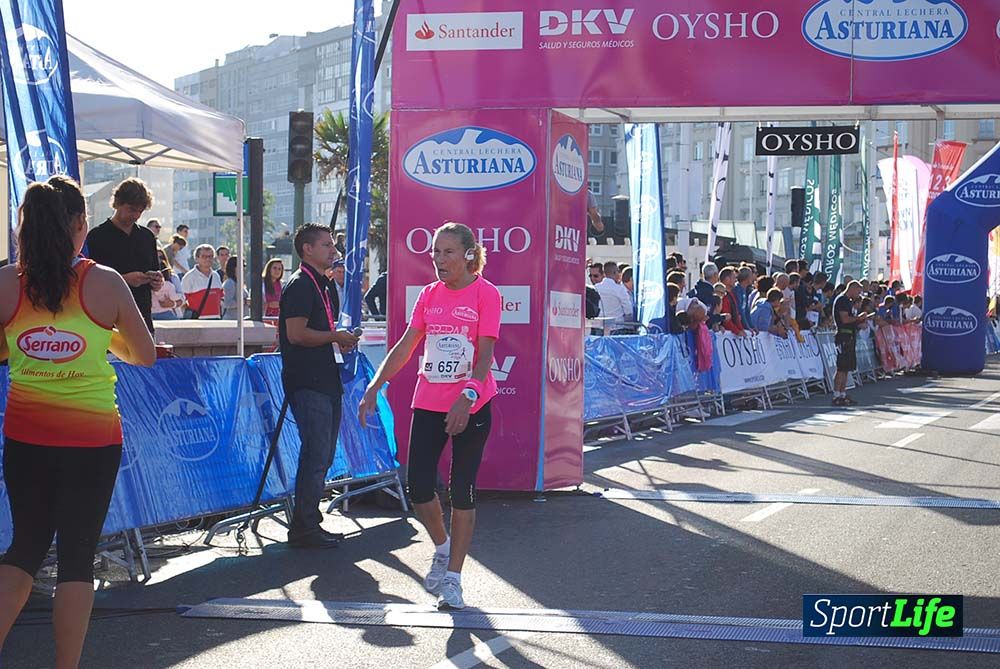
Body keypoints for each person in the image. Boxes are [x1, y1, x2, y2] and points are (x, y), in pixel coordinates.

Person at [0, 177, 155, 668]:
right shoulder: (104, 281)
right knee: (75, 557)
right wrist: (101, 336)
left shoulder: (6, 282)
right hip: (91, 440)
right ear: (80, 225)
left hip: (25, 437)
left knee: (24, 547)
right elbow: (144, 355)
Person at [358, 222, 500, 610]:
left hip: (472, 403)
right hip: (430, 401)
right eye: (435, 252)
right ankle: (442, 547)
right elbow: (406, 345)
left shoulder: (486, 294)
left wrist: (467, 397)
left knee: (461, 489)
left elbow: (485, 354)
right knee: (419, 486)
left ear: (469, 255)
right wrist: (375, 385)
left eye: (448, 252)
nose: (439, 260)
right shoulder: (428, 295)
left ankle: (453, 577)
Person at [279, 224, 359, 549]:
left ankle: (309, 521)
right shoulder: (300, 284)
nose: (333, 250)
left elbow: (320, 330)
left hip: (327, 378)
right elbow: (296, 334)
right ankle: (304, 526)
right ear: (307, 249)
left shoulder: (324, 284)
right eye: (326, 245)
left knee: (323, 455)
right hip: (307, 380)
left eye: (332, 244)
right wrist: (335, 337)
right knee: (315, 454)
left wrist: (340, 341)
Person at [85, 178, 163, 332]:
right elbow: (89, 282)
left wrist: (156, 280)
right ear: (118, 203)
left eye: (140, 211)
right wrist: (124, 280)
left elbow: (156, 272)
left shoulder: (147, 237)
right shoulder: (96, 237)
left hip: (142, 320)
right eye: (132, 209)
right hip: (107, 322)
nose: (136, 216)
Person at [832, 281, 869, 406]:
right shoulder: (842, 300)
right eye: (858, 291)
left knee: (847, 367)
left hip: (850, 335)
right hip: (843, 336)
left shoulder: (848, 301)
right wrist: (858, 318)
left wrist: (859, 322)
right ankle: (836, 394)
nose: (858, 295)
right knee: (841, 367)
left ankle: (842, 393)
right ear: (852, 289)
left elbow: (851, 320)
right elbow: (845, 319)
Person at [181, 245, 224, 319]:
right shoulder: (189, 277)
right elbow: (182, 301)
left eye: (210, 256)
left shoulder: (216, 276)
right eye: (204, 256)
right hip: (197, 322)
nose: (207, 259)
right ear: (197, 258)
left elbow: (221, 297)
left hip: (216, 320)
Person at [594, 261, 633, 333]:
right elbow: (628, 310)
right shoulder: (619, 289)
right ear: (615, 272)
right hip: (617, 327)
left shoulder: (596, 288)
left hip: (599, 327)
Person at [151, 251, 184, 321]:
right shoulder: (145, 278)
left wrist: (173, 304)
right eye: (155, 257)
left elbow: (182, 299)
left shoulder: (173, 277)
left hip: (169, 313)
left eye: (161, 257)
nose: (158, 260)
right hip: (150, 315)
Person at [221, 255, 248, 320]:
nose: (243, 268)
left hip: (241, 321)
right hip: (231, 322)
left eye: (244, 266)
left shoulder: (240, 283)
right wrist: (245, 301)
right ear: (233, 267)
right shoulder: (229, 283)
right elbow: (227, 303)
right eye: (241, 266)